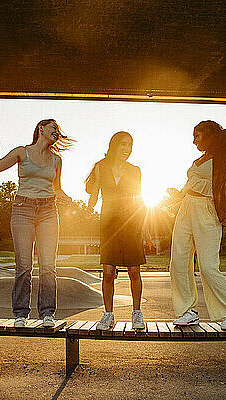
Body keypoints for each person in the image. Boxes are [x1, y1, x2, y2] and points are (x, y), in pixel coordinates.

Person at [0, 119, 73, 328]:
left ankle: (48, 313)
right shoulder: (21, 152)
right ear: (41, 128)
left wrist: (66, 198)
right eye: (54, 128)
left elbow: (56, 188)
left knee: (48, 265)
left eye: (58, 130)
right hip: (23, 209)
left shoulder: (56, 160)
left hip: (48, 210)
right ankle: (21, 314)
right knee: (24, 265)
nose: (57, 132)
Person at [169, 120, 226, 330]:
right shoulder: (198, 160)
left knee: (208, 266)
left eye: (197, 136)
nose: (193, 141)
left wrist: (214, 137)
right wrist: (175, 196)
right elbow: (188, 188)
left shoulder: (222, 159)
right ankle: (188, 311)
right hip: (186, 208)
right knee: (179, 262)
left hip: (207, 210)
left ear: (209, 136)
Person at [85, 131, 153, 331]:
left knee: (134, 270)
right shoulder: (100, 167)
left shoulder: (135, 170)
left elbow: (140, 199)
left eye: (130, 145)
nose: (127, 149)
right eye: (123, 144)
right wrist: (88, 209)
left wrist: (146, 229)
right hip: (108, 224)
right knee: (107, 271)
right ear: (114, 145)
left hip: (131, 223)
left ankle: (137, 313)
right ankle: (108, 315)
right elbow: (94, 193)